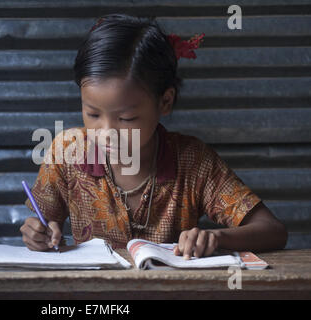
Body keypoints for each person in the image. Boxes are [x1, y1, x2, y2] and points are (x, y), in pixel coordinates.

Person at [20, 14, 287, 259]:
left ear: (165, 102)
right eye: (92, 114)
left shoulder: (194, 162)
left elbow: (272, 230)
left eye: (126, 119)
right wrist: (39, 233)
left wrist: (215, 237)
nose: (105, 133)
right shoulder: (66, 152)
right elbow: (43, 224)